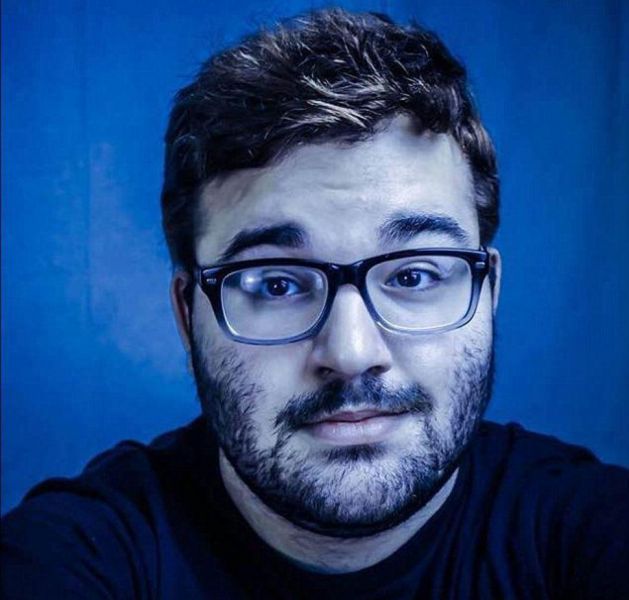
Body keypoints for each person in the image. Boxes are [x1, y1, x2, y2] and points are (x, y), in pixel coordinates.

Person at [2, 8, 627, 599]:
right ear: (188, 317)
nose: (351, 354)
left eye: (413, 275)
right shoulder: (77, 554)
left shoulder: (590, 532)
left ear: (487, 294)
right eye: (276, 284)